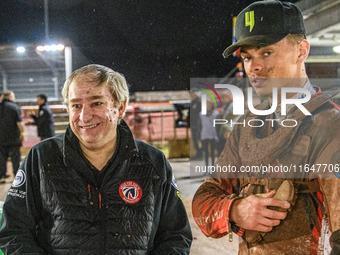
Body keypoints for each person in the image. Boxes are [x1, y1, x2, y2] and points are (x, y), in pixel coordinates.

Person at [192, 1, 340, 254]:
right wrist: (235, 210)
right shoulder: (247, 126)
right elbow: (204, 200)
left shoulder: (329, 124)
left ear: (301, 51)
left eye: (266, 52)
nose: (254, 66)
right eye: (248, 57)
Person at [0, 64, 192, 254]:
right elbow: (14, 233)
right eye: (76, 105)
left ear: (120, 106)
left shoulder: (153, 163)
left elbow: (175, 237)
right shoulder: (41, 159)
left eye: (96, 103)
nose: (84, 116)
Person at [0, 91, 24, 183]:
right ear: (9, 96)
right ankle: (17, 177)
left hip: (1, 138)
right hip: (13, 138)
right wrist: (22, 134)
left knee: (2, 158)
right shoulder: (14, 107)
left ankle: (2, 176)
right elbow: (19, 123)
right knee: (15, 158)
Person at [200, 99, 219, 168]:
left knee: (213, 152)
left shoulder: (216, 113)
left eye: (209, 104)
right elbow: (199, 125)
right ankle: (207, 167)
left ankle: (213, 167)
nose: (208, 106)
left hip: (213, 134)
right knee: (206, 152)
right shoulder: (201, 114)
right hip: (204, 134)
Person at [189, 88, 202, 159]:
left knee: (198, 138)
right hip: (193, 123)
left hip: (197, 123)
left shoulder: (199, 102)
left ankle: (200, 153)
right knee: (195, 138)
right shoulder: (193, 102)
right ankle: (198, 153)